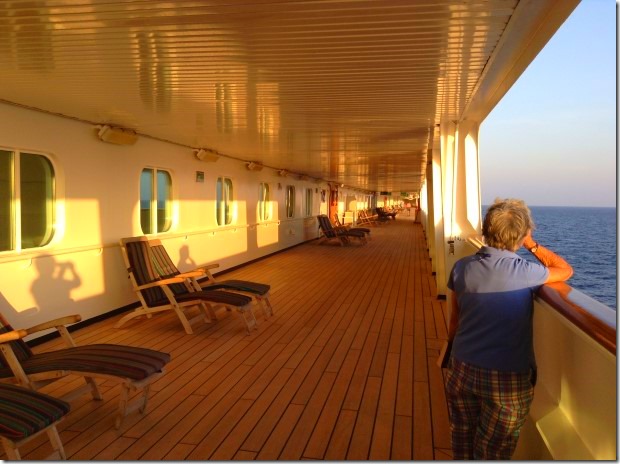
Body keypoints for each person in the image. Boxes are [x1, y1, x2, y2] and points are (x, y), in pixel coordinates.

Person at [444, 198, 573, 460]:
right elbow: (564, 270)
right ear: (521, 234)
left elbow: (455, 322)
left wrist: (449, 353)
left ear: (486, 231)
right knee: (493, 450)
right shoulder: (525, 272)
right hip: (506, 380)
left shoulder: (461, 268)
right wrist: (531, 243)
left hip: (461, 369)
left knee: (462, 437)